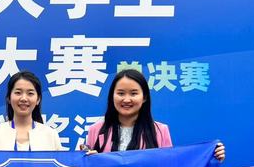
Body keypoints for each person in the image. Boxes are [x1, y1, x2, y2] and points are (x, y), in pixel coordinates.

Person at [85, 69, 225, 161]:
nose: (126, 99)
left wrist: (211, 157)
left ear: (144, 97)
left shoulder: (160, 131)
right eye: (121, 93)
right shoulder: (95, 130)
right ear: (112, 96)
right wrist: (90, 161)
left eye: (134, 93)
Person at [0, 71, 63, 151]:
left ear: (38, 99)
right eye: (18, 93)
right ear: (9, 98)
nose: (24, 98)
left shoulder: (50, 135)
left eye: (30, 93)